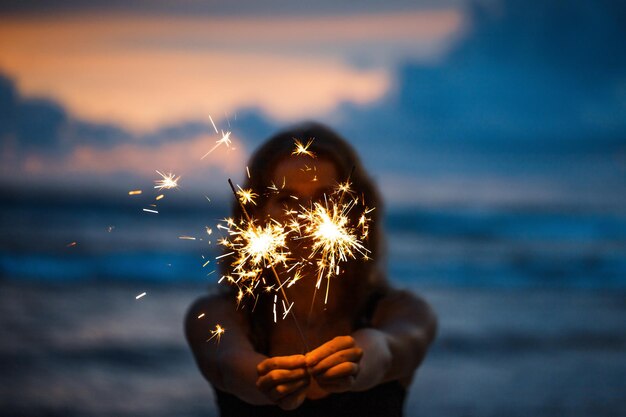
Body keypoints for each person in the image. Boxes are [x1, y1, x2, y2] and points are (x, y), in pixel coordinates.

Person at [185, 122, 437, 416]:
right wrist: (262, 379)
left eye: (325, 198)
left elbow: (390, 350)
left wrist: (361, 359)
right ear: (256, 214)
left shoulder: (403, 311)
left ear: (354, 210)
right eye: (287, 200)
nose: (306, 218)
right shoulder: (217, 315)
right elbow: (227, 364)